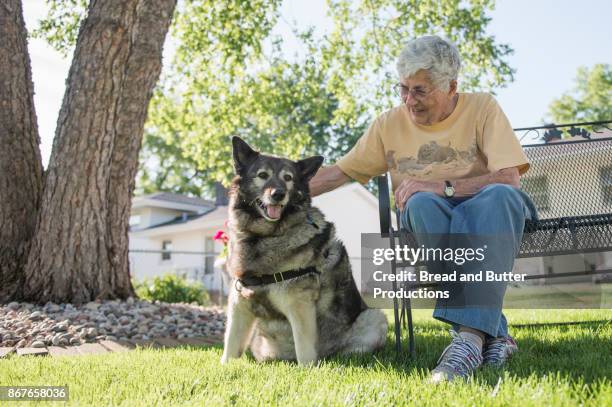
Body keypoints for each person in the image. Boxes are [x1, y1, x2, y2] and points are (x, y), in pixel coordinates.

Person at [309, 35, 537, 382]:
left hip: (494, 212)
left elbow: (508, 178)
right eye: (403, 89)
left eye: (420, 90)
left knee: (495, 197)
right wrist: (276, 191)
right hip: (432, 217)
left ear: (451, 86)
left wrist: (443, 185)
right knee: (420, 204)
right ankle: (493, 334)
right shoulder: (388, 125)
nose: (408, 100)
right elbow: (339, 173)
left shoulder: (482, 107)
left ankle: (468, 340)